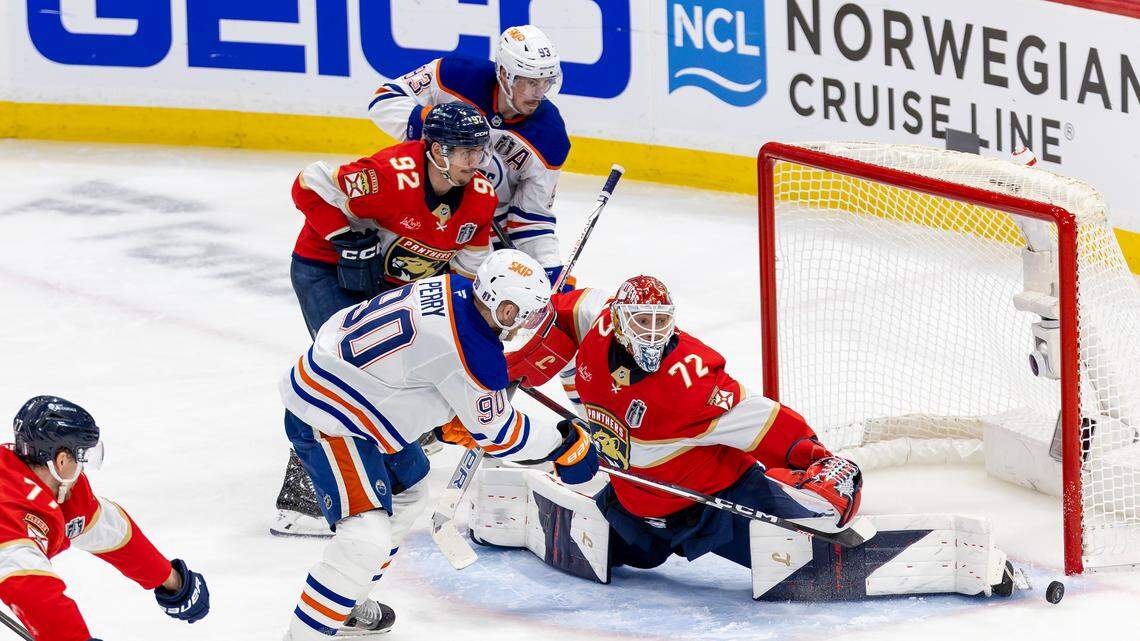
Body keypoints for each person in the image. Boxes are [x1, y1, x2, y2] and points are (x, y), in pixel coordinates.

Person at [466, 276, 1017, 600]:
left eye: (664, 324)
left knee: (804, 548)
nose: (654, 336)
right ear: (618, 319)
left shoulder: (692, 378)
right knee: (609, 553)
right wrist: (512, 365)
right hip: (634, 505)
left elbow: (759, 420)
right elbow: (560, 309)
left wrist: (808, 451)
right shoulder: (596, 325)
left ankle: (825, 481)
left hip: (714, 503)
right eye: (643, 324)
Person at [280, 249, 599, 639]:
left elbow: (424, 366)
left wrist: (456, 409)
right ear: (505, 308)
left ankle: (345, 603)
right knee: (366, 536)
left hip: (347, 388)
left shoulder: (454, 287)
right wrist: (564, 445)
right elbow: (501, 434)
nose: (524, 326)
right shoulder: (474, 350)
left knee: (410, 494)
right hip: (332, 417)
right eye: (524, 314)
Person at [273, 101, 499, 538]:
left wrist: (480, 335)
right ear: (435, 150)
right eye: (463, 151)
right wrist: (345, 236)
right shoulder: (390, 174)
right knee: (345, 373)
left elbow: (469, 271)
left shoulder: (480, 199)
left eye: (478, 150)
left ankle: (380, 472)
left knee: (395, 373)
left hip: (387, 285)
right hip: (326, 268)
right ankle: (302, 502)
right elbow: (308, 184)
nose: (475, 161)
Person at [368, 25, 570, 285]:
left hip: (479, 239)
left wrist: (549, 271)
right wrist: (438, 129)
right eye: (531, 82)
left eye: (547, 82)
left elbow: (531, 221)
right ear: (504, 74)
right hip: (419, 214)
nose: (539, 93)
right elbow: (384, 100)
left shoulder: (551, 137)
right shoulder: (456, 75)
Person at [0, 396, 209, 640]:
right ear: (62, 459)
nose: (83, 466)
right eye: (81, 456)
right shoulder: (9, 511)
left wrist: (170, 578)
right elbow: (31, 587)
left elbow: (107, 529)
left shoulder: (58, 488)